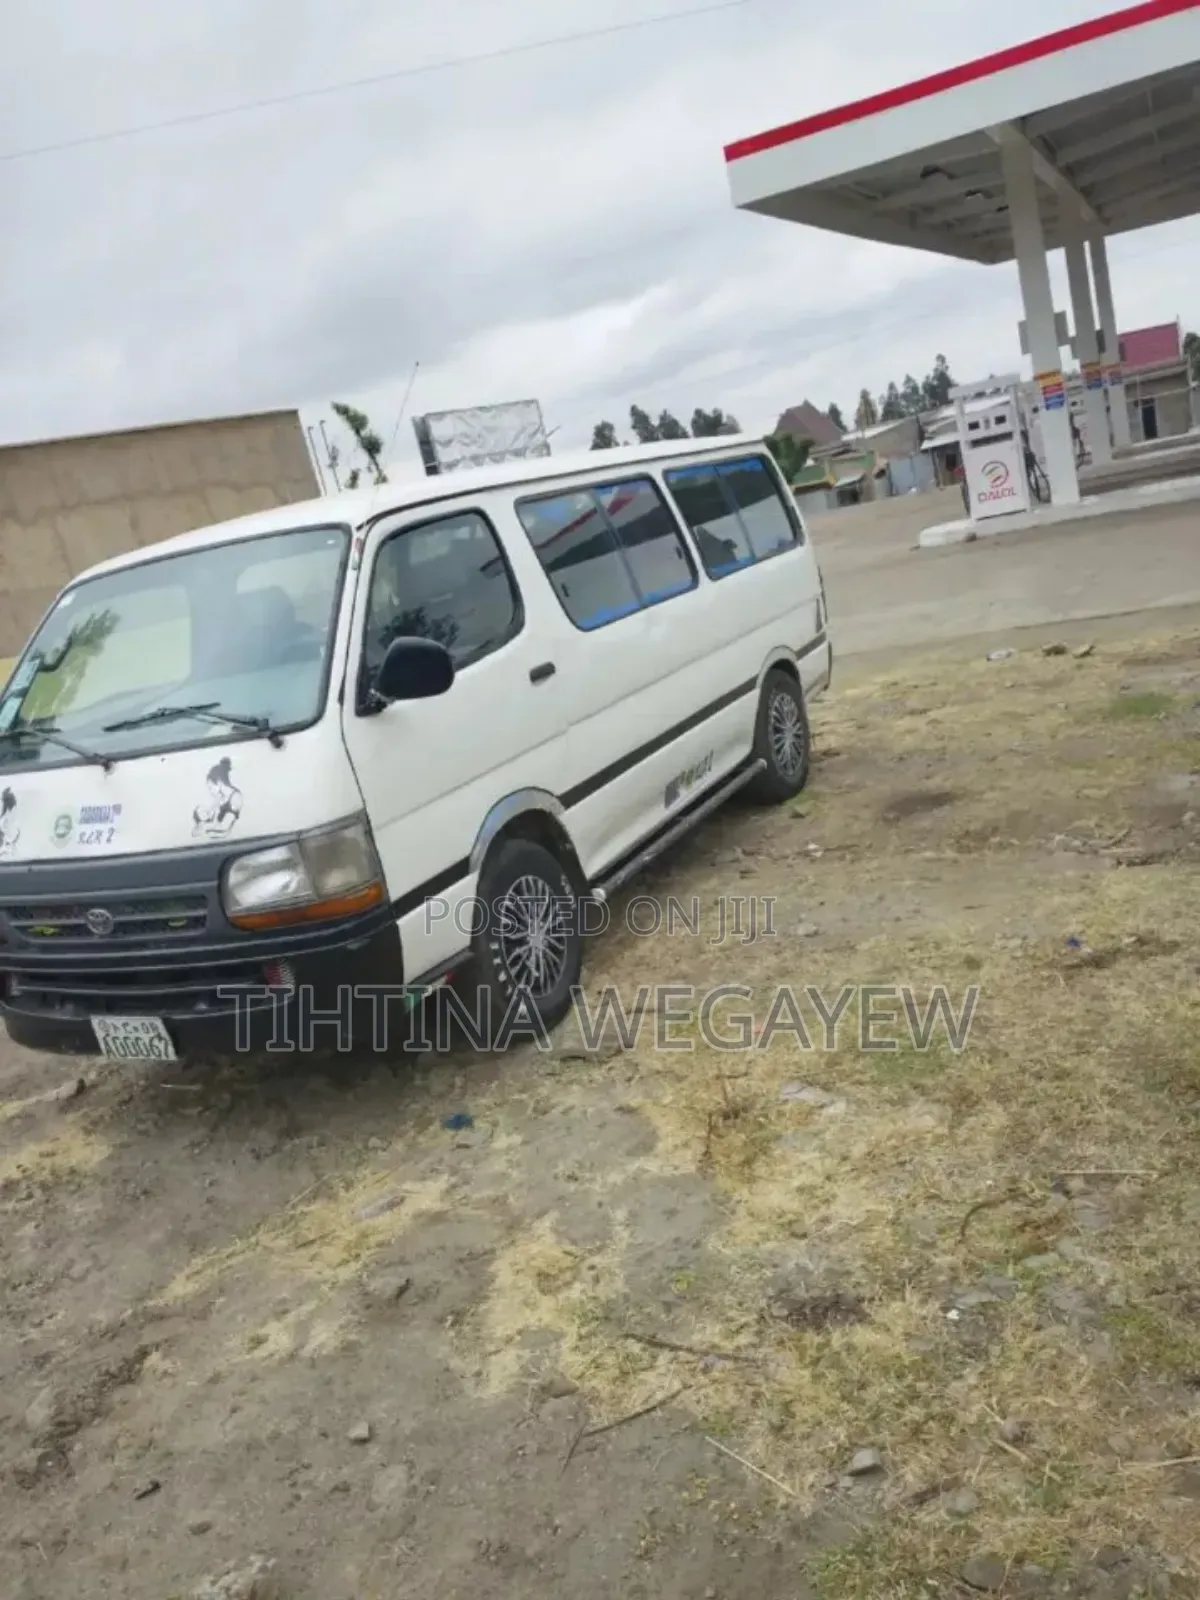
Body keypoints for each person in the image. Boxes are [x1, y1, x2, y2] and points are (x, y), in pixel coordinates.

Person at [192, 756, 243, 838]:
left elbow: (225, 827)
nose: (210, 791)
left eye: (211, 787)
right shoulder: (219, 798)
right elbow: (210, 814)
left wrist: (203, 827)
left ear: (219, 783)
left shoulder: (236, 797)